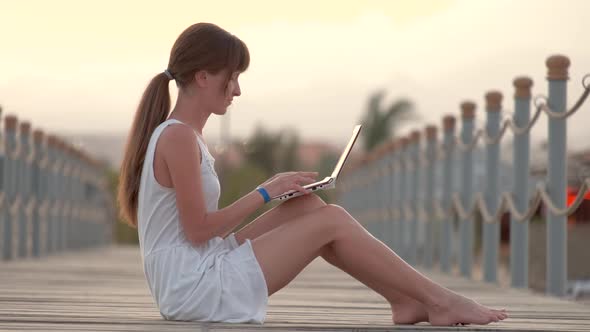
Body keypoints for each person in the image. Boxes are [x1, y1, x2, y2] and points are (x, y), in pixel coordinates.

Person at [117, 22, 508, 326]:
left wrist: (279, 195)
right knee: (332, 221)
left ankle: (404, 299)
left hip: (197, 268)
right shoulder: (179, 138)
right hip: (192, 289)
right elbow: (199, 230)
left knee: (309, 206)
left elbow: (200, 234)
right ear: (202, 76)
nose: (236, 90)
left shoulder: (186, 136)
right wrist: (266, 192)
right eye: (231, 77)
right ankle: (438, 300)